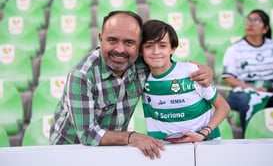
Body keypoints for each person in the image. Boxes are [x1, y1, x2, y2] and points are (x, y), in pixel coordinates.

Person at [49, 11, 214, 159]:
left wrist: (205, 72)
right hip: (70, 151)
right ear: (100, 38)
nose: (119, 50)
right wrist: (131, 137)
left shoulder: (142, 64)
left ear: (139, 45)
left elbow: (170, 67)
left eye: (129, 42)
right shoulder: (82, 76)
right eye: (112, 40)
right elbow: (87, 134)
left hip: (112, 148)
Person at [141, 19, 230, 143]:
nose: (156, 52)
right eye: (148, 46)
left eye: (162, 45)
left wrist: (203, 133)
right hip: (165, 149)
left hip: (204, 144)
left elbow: (223, 107)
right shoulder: (139, 77)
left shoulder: (193, 72)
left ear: (173, 48)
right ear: (141, 50)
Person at [222, 9, 273, 135]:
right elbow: (229, 78)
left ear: (265, 29)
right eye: (248, 20)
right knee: (247, 100)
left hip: (269, 89)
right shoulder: (234, 49)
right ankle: (250, 136)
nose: (250, 24)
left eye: (256, 21)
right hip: (243, 90)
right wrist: (252, 88)